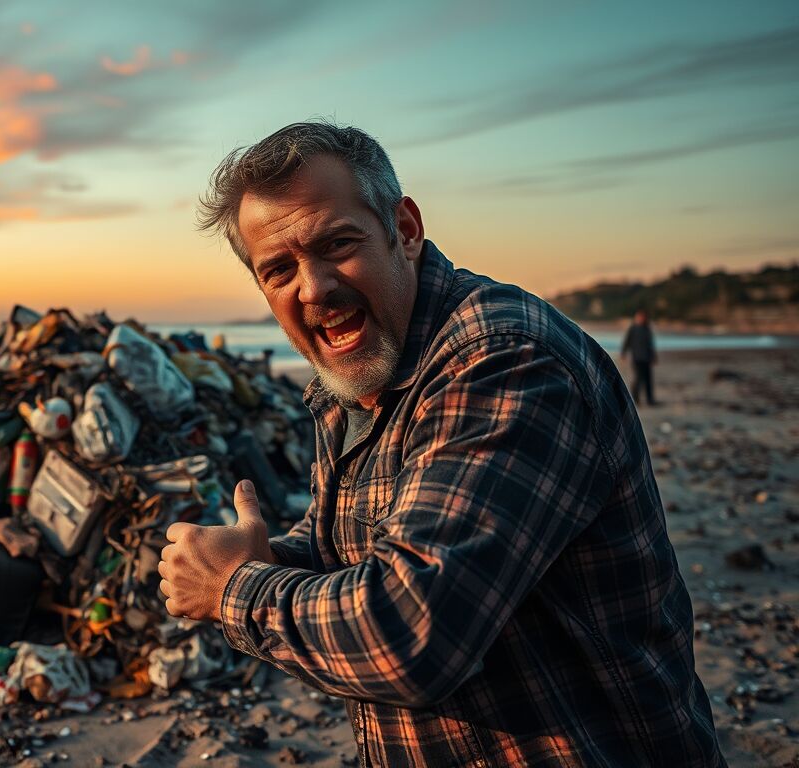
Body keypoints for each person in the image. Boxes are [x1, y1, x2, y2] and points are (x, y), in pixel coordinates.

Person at [158, 121, 723, 766]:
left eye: (339, 244)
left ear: (403, 229)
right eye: (279, 270)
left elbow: (411, 632)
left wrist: (233, 589)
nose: (312, 288)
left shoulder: (503, 361)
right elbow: (348, 550)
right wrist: (255, 556)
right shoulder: (359, 379)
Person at [622, 309, 658, 405]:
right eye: (640, 317)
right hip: (637, 358)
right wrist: (623, 353)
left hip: (647, 358)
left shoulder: (647, 329)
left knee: (648, 380)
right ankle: (635, 399)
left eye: (643, 317)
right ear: (636, 318)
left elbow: (650, 344)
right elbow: (627, 341)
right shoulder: (633, 329)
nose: (642, 319)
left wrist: (654, 356)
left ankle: (650, 400)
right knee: (638, 379)